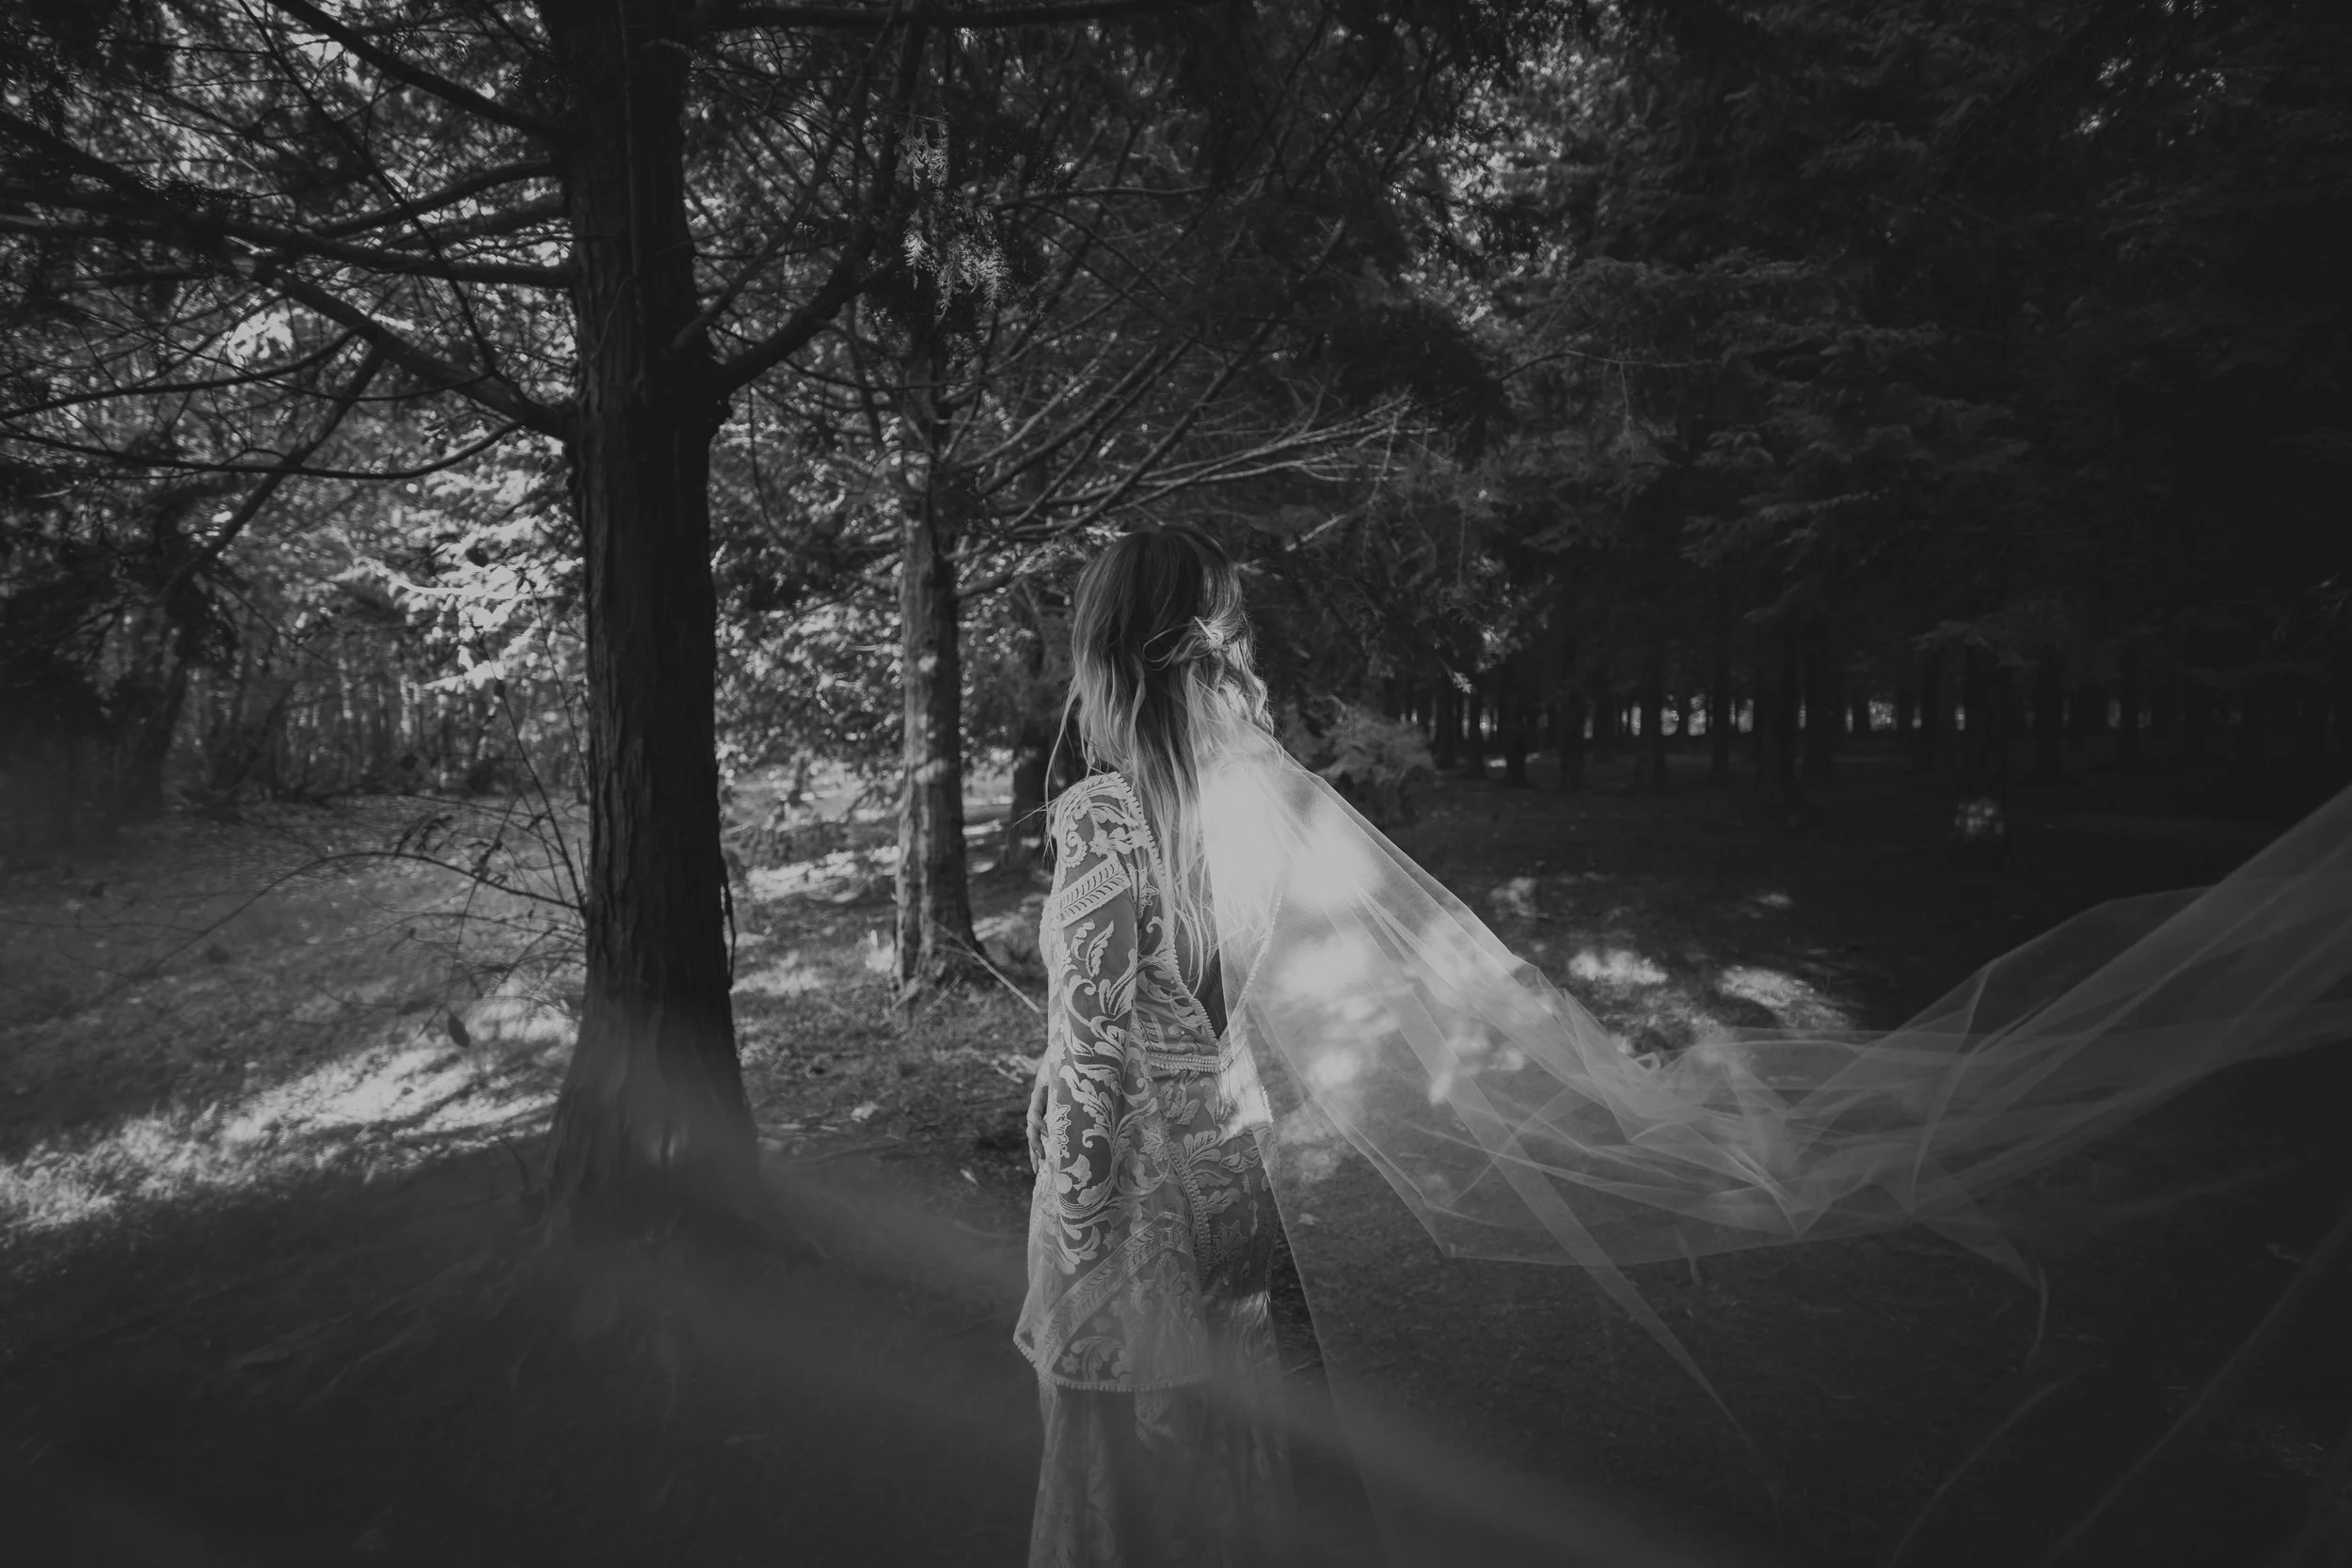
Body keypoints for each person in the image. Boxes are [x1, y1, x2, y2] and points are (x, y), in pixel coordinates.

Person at [1017, 529, 1290, 1567]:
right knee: (1222, 1436)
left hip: (1132, 1220)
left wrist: (1074, 1283)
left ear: (1105, 652)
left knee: (1125, 1468)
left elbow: (1093, 1063)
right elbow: (1216, 1001)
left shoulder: (1103, 816)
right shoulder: (1252, 799)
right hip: (1230, 1175)